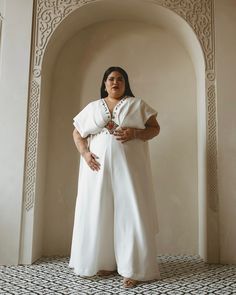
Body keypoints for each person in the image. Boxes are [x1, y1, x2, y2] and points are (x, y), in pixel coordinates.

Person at [69, 66, 161, 288]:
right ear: (104, 83)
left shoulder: (136, 105)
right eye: (110, 79)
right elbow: (77, 132)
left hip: (129, 172)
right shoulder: (92, 108)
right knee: (99, 211)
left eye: (120, 79)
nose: (115, 82)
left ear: (125, 83)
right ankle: (103, 262)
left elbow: (154, 128)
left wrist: (135, 132)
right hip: (97, 172)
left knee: (130, 214)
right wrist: (85, 153)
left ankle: (134, 269)